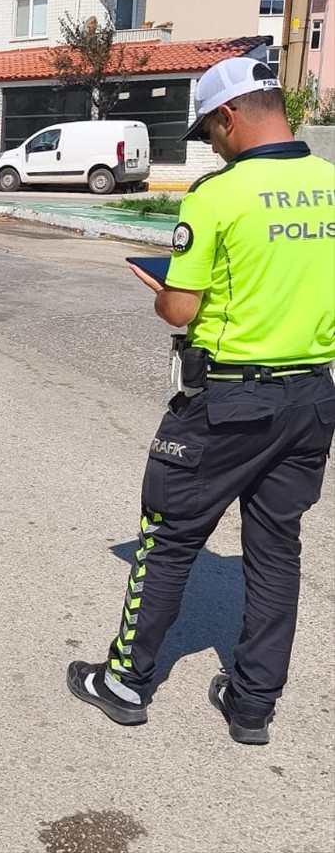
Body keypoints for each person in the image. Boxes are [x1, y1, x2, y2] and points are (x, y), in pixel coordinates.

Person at [67, 56, 335, 745]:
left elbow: (181, 309)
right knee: (275, 551)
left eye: (209, 131)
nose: (211, 145)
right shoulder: (330, 183)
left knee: (166, 539)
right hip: (311, 397)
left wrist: (160, 290)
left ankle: (124, 682)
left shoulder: (218, 194)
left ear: (227, 115)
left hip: (226, 402)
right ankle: (251, 705)